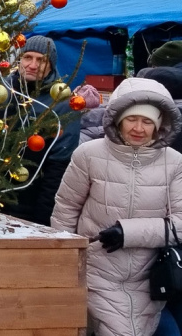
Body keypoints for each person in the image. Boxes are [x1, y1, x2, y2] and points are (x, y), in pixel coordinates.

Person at [51, 77, 182, 336]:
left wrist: (127, 233)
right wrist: (65, 265)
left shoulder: (175, 162)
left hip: (150, 279)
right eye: (132, 118)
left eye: (147, 121)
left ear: (159, 125)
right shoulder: (88, 154)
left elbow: (180, 222)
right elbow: (65, 210)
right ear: (118, 119)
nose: (138, 128)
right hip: (96, 272)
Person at [0, 35, 80, 226]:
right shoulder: (1, 92)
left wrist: (42, 217)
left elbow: (58, 166)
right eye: (28, 57)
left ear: (51, 65)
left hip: (29, 202)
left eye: (41, 60)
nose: (33, 65)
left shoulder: (61, 102)